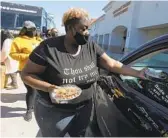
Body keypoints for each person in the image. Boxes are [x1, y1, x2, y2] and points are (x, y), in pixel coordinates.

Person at [21, 8, 146, 137]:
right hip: (55, 111)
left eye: (88, 29)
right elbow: (26, 74)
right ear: (70, 28)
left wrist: (138, 73)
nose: (87, 33)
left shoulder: (90, 46)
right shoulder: (48, 48)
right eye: (83, 29)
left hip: (85, 108)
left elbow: (112, 64)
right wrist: (49, 88)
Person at [9, 21, 41, 122]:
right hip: (26, 70)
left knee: (39, 90)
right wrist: (28, 56)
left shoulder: (39, 40)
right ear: (25, 30)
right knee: (31, 90)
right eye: (31, 30)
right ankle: (29, 111)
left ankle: (37, 108)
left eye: (35, 29)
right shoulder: (18, 40)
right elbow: (13, 54)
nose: (34, 31)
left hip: (40, 70)